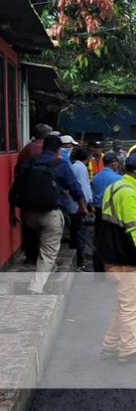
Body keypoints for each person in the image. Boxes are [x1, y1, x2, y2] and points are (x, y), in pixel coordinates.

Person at [96, 152, 136, 363]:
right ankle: (128, 350)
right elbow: (135, 230)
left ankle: (110, 346)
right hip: (125, 259)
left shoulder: (113, 188)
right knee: (133, 306)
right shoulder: (130, 193)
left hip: (111, 257)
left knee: (123, 305)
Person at [9, 134, 87, 293]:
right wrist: (83, 207)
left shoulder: (29, 164)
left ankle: (51, 268)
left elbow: (14, 190)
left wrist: (12, 213)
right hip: (50, 215)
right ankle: (36, 287)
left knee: (44, 243)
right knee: (48, 252)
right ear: (59, 149)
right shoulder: (60, 164)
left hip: (29, 215)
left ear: (43, 147)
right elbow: (75, 189)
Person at [14, 123, 53, 264]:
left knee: (29, 225)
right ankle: (42, 257)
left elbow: (17, 171)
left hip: (26, 193)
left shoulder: (26, 149)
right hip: (43, 193)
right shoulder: (45, 150)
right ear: (46, 136)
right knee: (46, 225)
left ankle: (30, 255)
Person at [91, 152, 122, 273]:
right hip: (113, 213)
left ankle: (99, 271)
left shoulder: (96, 178)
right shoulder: (119, 179)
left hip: (99, 212)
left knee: (99, 242)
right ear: (114, 163)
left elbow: (93, 196)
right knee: (114, 242)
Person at [68, 147, 93, 271]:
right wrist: (88, 203)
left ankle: (79, 260)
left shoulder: (74, 166)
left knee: (76, 232)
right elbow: (84, 187)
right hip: (79, 204)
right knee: (80, 233)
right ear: (86, 158)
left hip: (74, 203)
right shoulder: (81, 168)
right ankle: (81, 262)